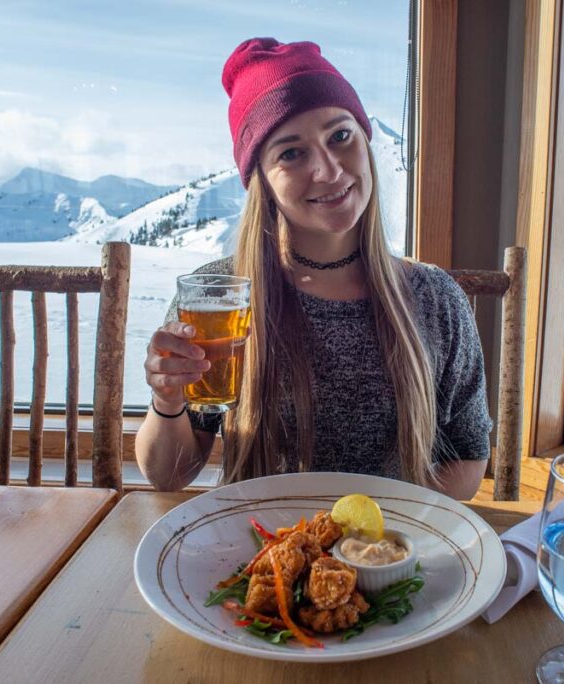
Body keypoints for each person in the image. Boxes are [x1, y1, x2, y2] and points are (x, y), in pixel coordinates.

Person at [135, 37, 492, 499]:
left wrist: (368, 527)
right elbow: (168, 476)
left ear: (365, 141)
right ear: (261, 179)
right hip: (257, 541)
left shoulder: (435, 299)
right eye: (291, 153)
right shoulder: (217, 298)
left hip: (386, 543)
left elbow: (467, 458)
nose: (328, 170)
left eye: (340, 136)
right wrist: (167, 399)